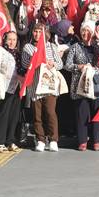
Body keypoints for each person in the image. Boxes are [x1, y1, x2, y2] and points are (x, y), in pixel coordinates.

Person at [21, 22, 63, 152]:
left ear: (46, 34)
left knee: (50, 112)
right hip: (34, 86)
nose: (37, 34)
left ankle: (53, 139)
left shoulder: (51, 46)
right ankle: (40, 139)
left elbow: (60, 63)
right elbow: (24, 63)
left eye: (40, 32)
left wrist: (53, 63)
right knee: (37, 115)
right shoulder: (28, 47)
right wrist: (34, 59)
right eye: (35, 31)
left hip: (49, 85)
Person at [64, 21, 99, 151]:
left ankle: (96, 141)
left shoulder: (97, 46)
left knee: (96, 113)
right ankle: (82, 141)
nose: (85, 33)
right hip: (80, 85)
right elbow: (67, 65)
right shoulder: (75, 47)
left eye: (88, 31)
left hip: (95, 84)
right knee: (82, 113)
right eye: (83, 31)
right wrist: (79, 67)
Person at [0, 30, 22, 152]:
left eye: (14, 39)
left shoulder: (18, 53)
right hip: (3, 87)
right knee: (3, 114)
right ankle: (0, 142)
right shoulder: (1, 52)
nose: (12, 42)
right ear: (5, 40)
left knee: (14, 115)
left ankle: (10, 141)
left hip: (16, 87)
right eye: (9, 39)